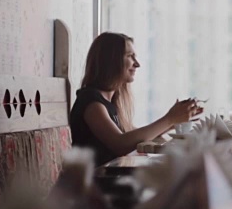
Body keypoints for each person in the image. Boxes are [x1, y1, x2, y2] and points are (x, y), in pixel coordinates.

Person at [70, 32, 202, 165]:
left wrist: (172, 123)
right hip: (93, 183)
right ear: (111, 61)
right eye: (130, 56)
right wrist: (169, 119)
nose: (137, 64)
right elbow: (120, 144)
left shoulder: (108, 102)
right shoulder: (91, 102)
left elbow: (133, 136)